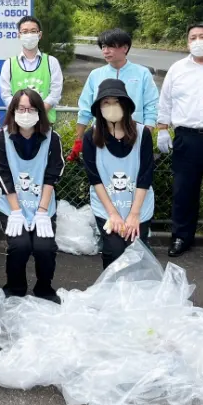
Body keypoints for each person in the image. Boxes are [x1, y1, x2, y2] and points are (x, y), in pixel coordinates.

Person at [157, 22, 203, 261]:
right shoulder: (177, 69)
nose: (197, 41)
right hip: (186, 138)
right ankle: (181, 237)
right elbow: (165, 101)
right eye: (193, 37)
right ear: (187, 42)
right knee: (183, 191)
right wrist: (162, 129)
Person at [0, 89, 64, 301]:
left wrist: (42, 211)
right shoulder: (1, 137)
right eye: (21, 108)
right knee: (20, 245)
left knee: (45, 248)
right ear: (13, 110)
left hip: (42, 205)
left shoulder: (52, 138)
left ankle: (44, 288)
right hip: (12, 205)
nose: (26, 113)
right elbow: (2, 175)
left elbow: (53, 173)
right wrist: (16, 212)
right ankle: (15, 288)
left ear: (40, 112)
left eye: (32, 109)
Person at [83, 79, 155, 268]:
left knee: (136, 249)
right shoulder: (91, 136)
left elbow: (145, 176)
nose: (111, 106)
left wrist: (134, 214)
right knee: (114, 249)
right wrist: (113, 213)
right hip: (107, 205)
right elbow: (95, 178)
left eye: (116, 101)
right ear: (99, 107)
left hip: (138, 205)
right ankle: (111, 292)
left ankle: (138, 293)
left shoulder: (142, 133)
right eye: (106, 102)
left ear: (125, 104)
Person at [70, 28, 159, 162]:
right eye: (103, 47)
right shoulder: (96, 75)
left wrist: (146, 134)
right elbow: (85, 108)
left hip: (134, 134)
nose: (105, 51)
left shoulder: (142, 73)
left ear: (125, 48)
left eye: (111, 46)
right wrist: (78, 140)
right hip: (102, 135)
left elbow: (151, 105)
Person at [0, 16, 63, 121]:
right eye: (25, 31)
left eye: (33, 31)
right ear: (19, 35)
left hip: (45, 122)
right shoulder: (9, 64)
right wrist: (22, 113)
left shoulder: (51, 62)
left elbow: (55, 93)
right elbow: (6, 95)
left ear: (40, 34)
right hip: (17, 122)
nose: (29, 35)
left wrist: (38, 113)